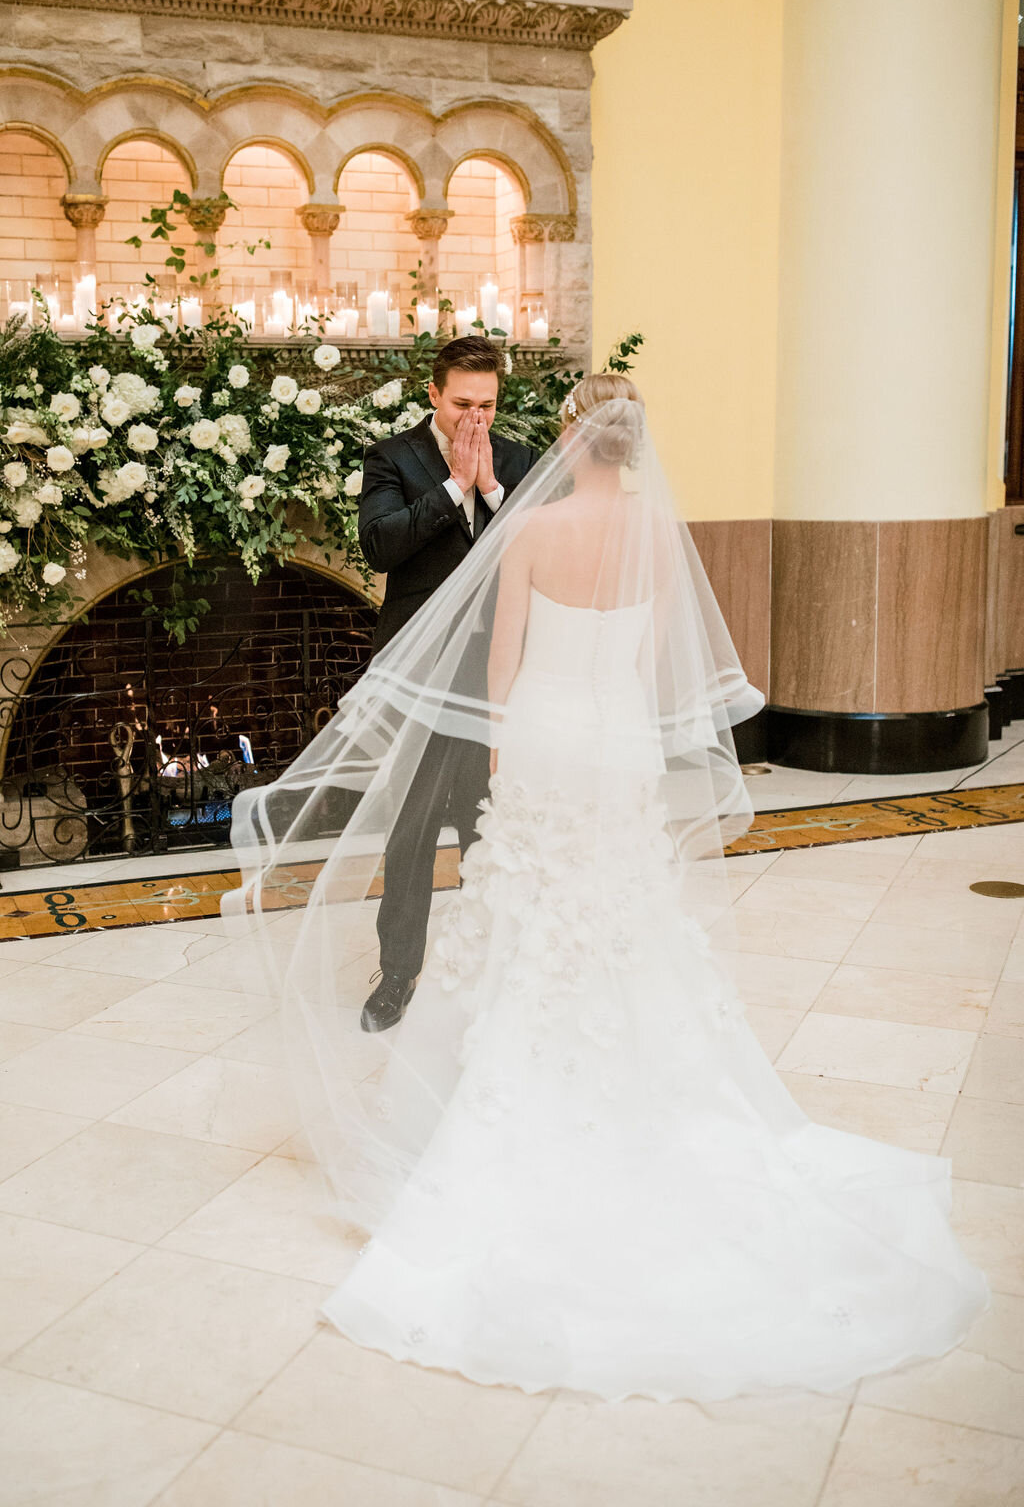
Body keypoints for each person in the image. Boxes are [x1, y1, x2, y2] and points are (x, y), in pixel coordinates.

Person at [228, 376, 988, 1403]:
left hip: (546, 735)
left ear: (572, 442)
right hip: (620, 741)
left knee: (528, 907)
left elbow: (501, 666)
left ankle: (503, 1087)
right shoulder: (658, 536)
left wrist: (502, 760)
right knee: (624, 910)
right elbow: (654, 662)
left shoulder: (533, 531)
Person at [357, 335, 537, 1033]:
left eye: (487, 405)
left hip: (498, 672)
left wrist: (489, 487)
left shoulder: (517, 460)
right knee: (413, 828)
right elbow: (380, 546)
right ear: (433, 394)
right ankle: (398, 973)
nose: (475, 418)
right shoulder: (392, 458)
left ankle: (484, 969)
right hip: (421, 675)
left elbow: (538, 547)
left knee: (488, 824)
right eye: (462, 404)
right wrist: (454, 487)